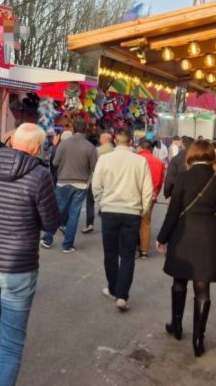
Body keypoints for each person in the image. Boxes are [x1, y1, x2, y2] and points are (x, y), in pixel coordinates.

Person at [0, 123, 60, 386]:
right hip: (17, 267)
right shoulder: (39, 175)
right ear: (35, 147)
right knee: (10, 344)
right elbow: (50, 222)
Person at [156, 139, 216, 357]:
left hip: (183, 234)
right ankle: (199, 338)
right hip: (209, 237)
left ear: (192, 155)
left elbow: (173, 212)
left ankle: (176, 326)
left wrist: (162, 237)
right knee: (203, 289)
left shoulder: (183, 178)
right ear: (212, 157)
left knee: (179, 282)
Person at [92, 128, 153, 311]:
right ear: (131, 141)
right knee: (127, 255)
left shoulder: (104, 159)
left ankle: (113, 288)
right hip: (132, 212)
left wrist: (101, 204)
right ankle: (122, 295)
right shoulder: (140, 161)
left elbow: (96, 185)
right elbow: (147, 190)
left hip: (110, 210)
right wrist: (143, 209)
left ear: (115, 140)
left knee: (110, 252)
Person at [41, 119, 98, 253]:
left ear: (72, 129)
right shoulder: (90, 147)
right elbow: (95, 167)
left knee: (57, 211)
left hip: (63, 182)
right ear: (86, 129)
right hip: (81, 184)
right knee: (74, 214)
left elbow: (54, 163)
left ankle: (47, 239)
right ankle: (67, 245)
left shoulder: (64, 144)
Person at [136, 139, 166, 258]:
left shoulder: (135, 159)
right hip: (150, 196)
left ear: (140, 148)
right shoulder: (159, 162)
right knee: (146, 222)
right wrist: (154, 194)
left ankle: (133, 246)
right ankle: (144, 250)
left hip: (134, 195)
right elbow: (160, 182)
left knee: (132, 221)